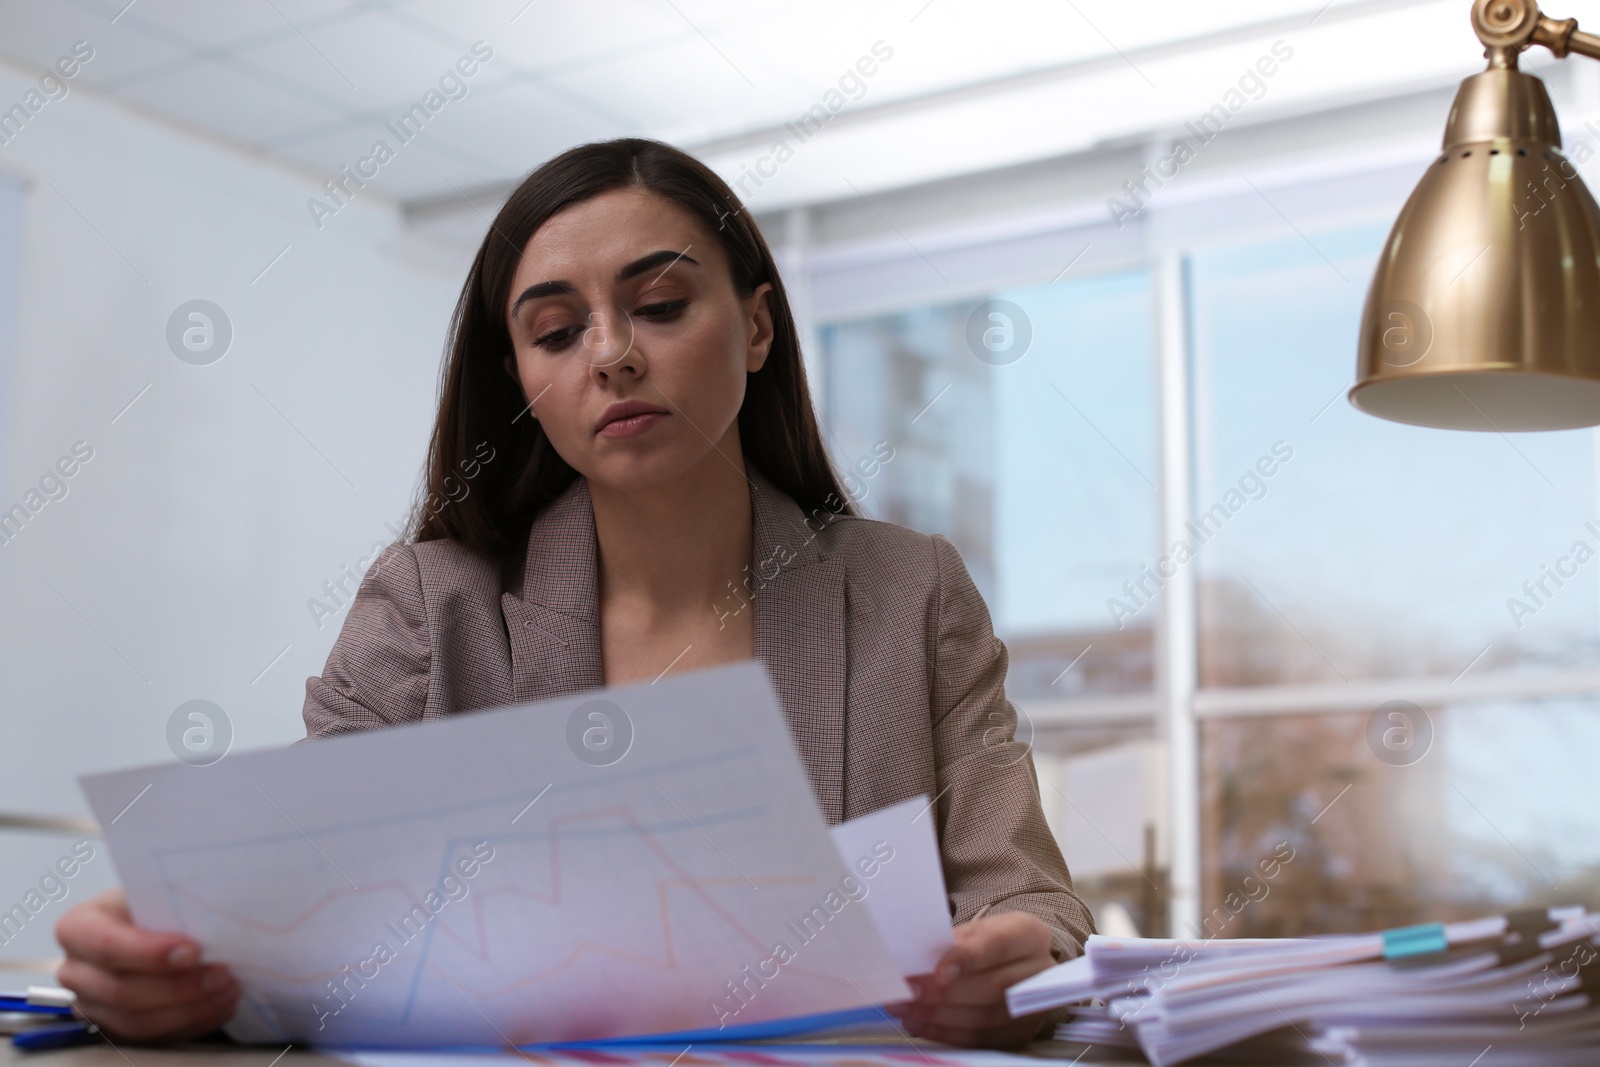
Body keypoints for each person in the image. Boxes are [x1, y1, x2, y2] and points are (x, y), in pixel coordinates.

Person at [54, 139, 1095, 1049]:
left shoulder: (910, 592)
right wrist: (164, 953)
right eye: (555, 332)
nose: (614, 354)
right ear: (518, 379)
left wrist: (1018, 954)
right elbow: (293, 896)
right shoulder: (429, 609)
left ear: (759, 327)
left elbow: (1027, 893)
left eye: (660, 304)